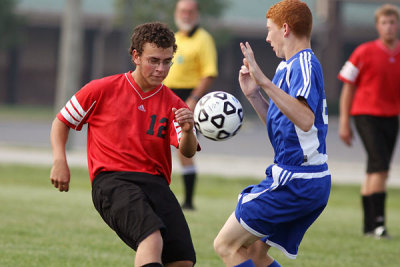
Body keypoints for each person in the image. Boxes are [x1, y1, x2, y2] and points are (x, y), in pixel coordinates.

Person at [49, 22, 199, 267]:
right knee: (151, 239)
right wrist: (59, 160)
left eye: (167, 61)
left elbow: (188, 150)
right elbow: (62, 121)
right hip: (113, 181)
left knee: (182, 259)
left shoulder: (175, 104)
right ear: (136, 56)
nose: (161, 69)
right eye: (153, 60)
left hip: (156, 184)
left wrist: (188, 130)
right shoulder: (101, 89)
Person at [213, 1, 331, 266]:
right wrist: (255, 95)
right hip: (299, 178)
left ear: (285, 28)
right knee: (256, 252)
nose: (267, 37)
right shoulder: (287, 67)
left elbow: (304, 120)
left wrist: (263, 82)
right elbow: (284, 126)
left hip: (298, 180)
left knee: (225, 245)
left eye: (270, 29)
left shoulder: (304, 64)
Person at [337, 4, 400, 239]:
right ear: (378, 26)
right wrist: (344, 122)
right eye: (384, 23)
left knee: (375, 169)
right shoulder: (363, 52)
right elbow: (347, 87)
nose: (389, 27)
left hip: (391, 117)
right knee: (380, 166)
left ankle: (368, 226)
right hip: (365, 114)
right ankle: (379, 224)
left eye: (393, 22)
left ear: (398, 25)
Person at [163, 0, 218, 210]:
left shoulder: (204, 39)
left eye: (190, 11)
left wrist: (194, 99)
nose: (186, 15)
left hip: (188, 98)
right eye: (182, 11)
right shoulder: (175, 37)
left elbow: (209, 72)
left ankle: (188, 201)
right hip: (167, 95)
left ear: (196, 14)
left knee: (184, 148)